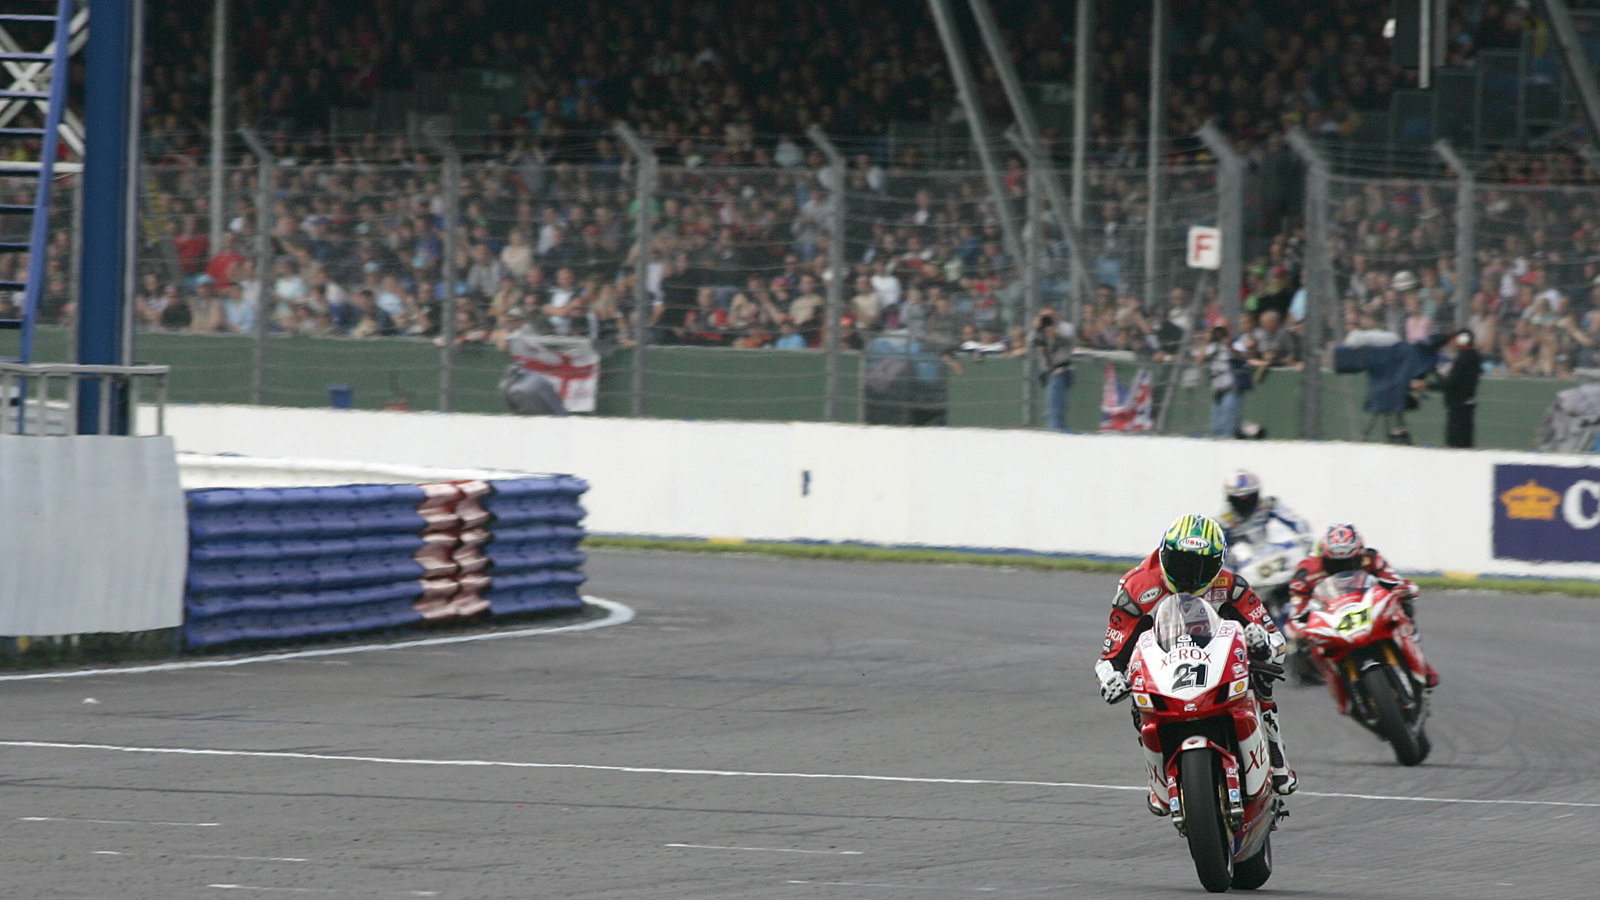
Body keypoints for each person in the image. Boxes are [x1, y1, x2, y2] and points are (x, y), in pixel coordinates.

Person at [1095, 514, 1298, 815]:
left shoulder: (1231, 586)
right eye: (1181, 563)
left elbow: (1278, 642)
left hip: (1218, 658)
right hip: (1164, 663)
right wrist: (1110, 679)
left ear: (1218, 563)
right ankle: (1157, 780)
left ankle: (1277, 757)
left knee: (1262, 676)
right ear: (1164, 554)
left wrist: (1263, 643)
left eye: (1201, 567)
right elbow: (1109, 657)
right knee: (1139, 699)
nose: (1189, 576)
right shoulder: (1137, 591)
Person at [1284, 523, 1437, 687]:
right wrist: (1299, 631)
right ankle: (1326, 678)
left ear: (1359, 553)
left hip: (1367, 604)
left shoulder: (1371, 558)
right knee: (1298, 648)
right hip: (1332, 615)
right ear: (1323, 556)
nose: (1342, 567)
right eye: (1334, 563)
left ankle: (1421, 662)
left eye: (1350, 562)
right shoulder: (1306, 572)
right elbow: (1297, 611)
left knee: (1403, 606)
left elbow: (1395, 582)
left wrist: (1405, 590)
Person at [1217, 469, 1313, 553]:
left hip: (1269, 552)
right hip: (1241, 562)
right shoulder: (1221, 519)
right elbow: (1216, 552)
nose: (1244, 502)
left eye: (1249, 497)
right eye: (1239, 499)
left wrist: (1306, 540)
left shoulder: (1268, 503)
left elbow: (1297, 521)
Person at [1032, 307, 1076, 432]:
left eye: (1050, 316)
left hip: (1062, 370)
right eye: (1044, 317)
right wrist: (1037, 330)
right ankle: (1058, 430)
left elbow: (1068, 339)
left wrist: (1054, 333)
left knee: (1055, 407)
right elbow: (1035, 346)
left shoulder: (1065, 327)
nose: (1047, 319)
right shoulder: (1041, 330)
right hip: (1050, 371)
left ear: (1057, 315)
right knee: (1053, 406)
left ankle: (1056, 431)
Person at [1441, 329, 1482, 448]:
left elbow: (1453, 382)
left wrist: (1431, 384)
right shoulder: (1472, 356)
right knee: (1464, 440)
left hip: (1459, 405)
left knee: (1457, 441)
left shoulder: (1465, 357)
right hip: (1464, 404)